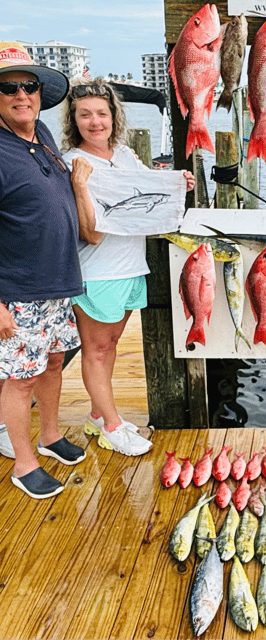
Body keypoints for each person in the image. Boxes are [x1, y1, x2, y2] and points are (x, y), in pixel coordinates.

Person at [61, 78, 194, 456]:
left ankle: (97, 415)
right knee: (96, 350)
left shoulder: (124, 155)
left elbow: (145, 193)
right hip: (98, 272)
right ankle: (114, 427)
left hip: (131, 266)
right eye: (84, 114)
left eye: (101, 113)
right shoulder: (72, 162)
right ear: (73, 120)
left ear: (113, 116)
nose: (94, 121)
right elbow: (90, 233)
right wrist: (81, 186)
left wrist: (174, 183)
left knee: (111, 346)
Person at [0, 41, 86, 498]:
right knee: (21, 377)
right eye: (8, 87)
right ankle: (24, 462)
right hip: (18, 290)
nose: (21, 95)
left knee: (54, 361)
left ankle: (50, 436)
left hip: (56, 283)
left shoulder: (43, 135)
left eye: (28, 86)